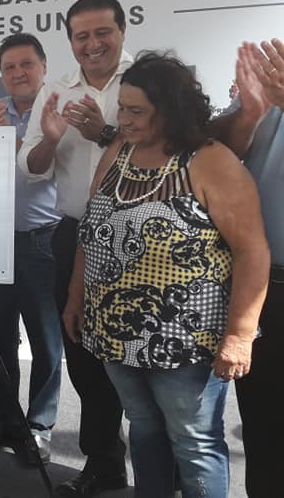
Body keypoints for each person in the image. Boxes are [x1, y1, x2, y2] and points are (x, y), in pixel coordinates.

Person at [62, 51, 268, 496]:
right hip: (116, 332)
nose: (124, 119)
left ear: (170, 110)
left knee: (193, 442)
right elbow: (92, 227)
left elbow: (253, 251)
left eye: (137, 111)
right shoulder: (120, 149)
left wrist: (240, 335)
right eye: (123, 107)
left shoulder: (209, 161)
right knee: (143, 428)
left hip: (186, 342)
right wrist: (76, 297)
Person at [17, 0, 132, 497]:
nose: (92, 44)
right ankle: (104, 464)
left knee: (146, 358)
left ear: (122, 33)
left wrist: (102, 132)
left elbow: (175, 148)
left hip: (140, 235)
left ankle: (166, 468)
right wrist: (48, 138)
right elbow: (30, 167)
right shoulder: (57, 91)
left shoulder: (150, 79)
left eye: (101, 32)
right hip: (75, 234)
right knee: (82, 355)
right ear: (70, 42)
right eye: (81, 36)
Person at [0, 34, 63, 466]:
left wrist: (7, 138)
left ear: (43, 66)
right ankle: (5, 420)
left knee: (46, 341)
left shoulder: (59, 110)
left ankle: (39, 427)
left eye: (26, 64)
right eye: (9, 67)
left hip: (44, 240)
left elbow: (41, 172)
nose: (18, 74)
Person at [207, 38, 284, 498]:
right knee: (263, 424)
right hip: (260, 282)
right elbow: (218, 144)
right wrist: (250, 111)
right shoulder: (271, 71)